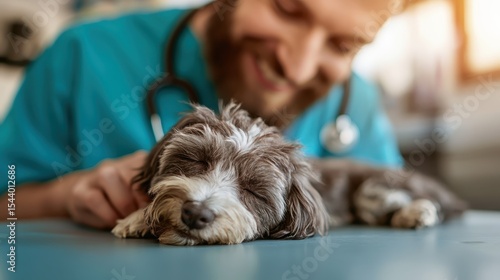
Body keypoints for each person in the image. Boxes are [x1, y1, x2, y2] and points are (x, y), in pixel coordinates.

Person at [0, 0, 406, 229]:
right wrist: (63, 195)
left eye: (342, 44)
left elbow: (395, 219)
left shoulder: (355, 103)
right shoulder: (83, 56)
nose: (297, 68)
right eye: (286, 8)